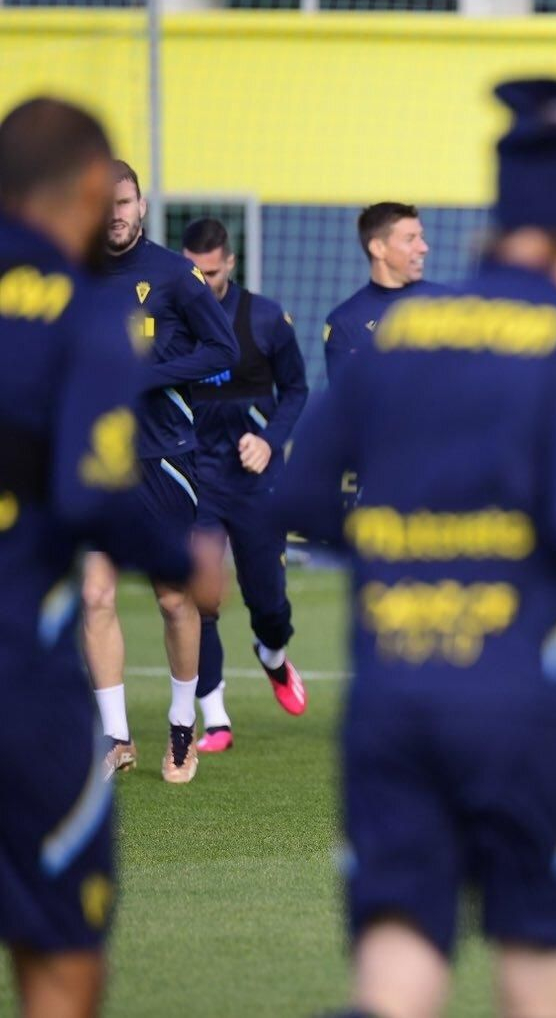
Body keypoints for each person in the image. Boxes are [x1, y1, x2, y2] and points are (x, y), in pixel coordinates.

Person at [272, 79, 556, 1018]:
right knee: (538, 984)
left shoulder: (404, 326)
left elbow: (295, 495)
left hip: (393, 700)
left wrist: (390, 539)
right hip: (517, 710)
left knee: (395, 981)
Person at [0, 95, 215, 1018]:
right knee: (59, 946)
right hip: (19, 666)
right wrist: (183, 557)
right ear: (95, 188)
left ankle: (158, 727)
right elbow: (92, 489)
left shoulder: (155, 283)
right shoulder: (79, 308)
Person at [84, 159, 238, 784]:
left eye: (125, 202)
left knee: (175, 602)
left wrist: (147, 374)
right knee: (95, 596)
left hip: (164, 460)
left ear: (141, 206)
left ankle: (181, 730)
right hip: (96, 462)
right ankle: (117, 738)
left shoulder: (174, 275)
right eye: (104, 204)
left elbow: (223, 349)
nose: (115, 214)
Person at [182, 217, 310, 752]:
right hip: (195, 478)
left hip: (257, 482)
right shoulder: (169, 319)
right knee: (198, 599)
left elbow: (297, 390)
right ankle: (215, 719)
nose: (202, 283)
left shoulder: (265, 318)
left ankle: (273, 656)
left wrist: (269, 440)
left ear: (229, 264)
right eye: (193, 272)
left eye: (211, 273)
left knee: (269, 604)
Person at [323, 202, 447, 385]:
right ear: (378, 248)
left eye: (421, 237)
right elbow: (347, 400)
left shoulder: (450, 304)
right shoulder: (345, 322)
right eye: (410, 239)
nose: (423, 248)